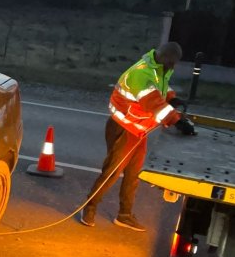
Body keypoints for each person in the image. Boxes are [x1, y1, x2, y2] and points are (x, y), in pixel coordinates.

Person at [79, 42, 184, 232]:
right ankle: (89, 207)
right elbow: (154, 104)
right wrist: (177, 121)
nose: (174, 66)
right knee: (111, 172)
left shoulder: (157, 68)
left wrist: (171, 97)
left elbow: (160, 89)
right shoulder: (142, 74)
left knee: (133, 174)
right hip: (123, 129)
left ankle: (124, 215)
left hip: (137, 131)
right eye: (173, 62)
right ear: (167, 58)